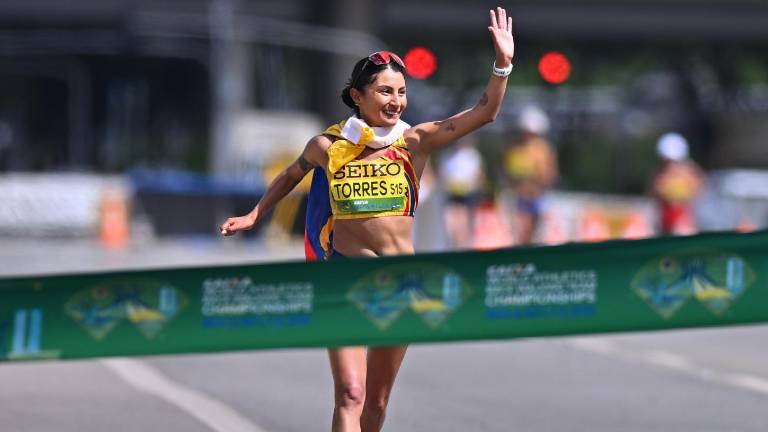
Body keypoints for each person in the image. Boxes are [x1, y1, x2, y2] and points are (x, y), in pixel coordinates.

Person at [220, 7, 515, 431]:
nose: (396, 101)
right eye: (384, 91)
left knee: (374, 405)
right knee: (350, 394)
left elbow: (484, 112)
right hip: (343, 281)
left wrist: (502, 64)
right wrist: (255, 213)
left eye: (401, 92)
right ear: (357, 96)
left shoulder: (416, 142)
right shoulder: (328, 146)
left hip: (402, 285)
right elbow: (291, 175)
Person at [501, 105, 558, 244]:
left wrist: (539, 184)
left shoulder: (542, 149)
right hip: (520, 196)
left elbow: (549, 173)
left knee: (534, 232)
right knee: (522, 231)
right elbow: (508, 172)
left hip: (538, 195)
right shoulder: (515, 150)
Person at [651, 132, 705, 235]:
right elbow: (655, 194)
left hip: (684, 223)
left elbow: (698, 193)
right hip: (665, 223)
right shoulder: (659, 174)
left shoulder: (689, 172)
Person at [438, 136, 486, 249]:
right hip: (452, 195)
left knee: (464, 226)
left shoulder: (473, 155)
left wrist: (470, 186)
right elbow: (442, 176)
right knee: (452, 225)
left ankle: (464, 247)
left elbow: (479, 176)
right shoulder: (447, 155)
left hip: (468, 195)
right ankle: (455, 246)